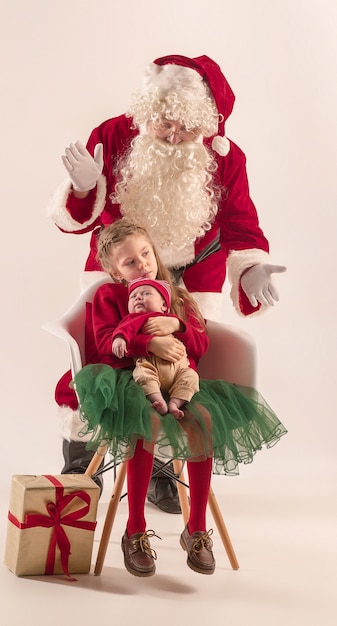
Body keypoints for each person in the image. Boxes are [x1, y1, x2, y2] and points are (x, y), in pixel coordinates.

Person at [47, 54, 287, 512]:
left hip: (194, 279)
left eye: (186, 128)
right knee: (97, 363)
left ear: (205, 124)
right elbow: (76, 222)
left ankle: (162, 470)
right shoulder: (113, 136)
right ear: (146, 112)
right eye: (163, 124)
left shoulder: (227, 158)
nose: (174, 135)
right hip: (118, 274)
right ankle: (81, 464)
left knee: (179, 367)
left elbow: (240, 222)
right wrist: (81, 190)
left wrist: (250, 266)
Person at [70, 219, 287, 577]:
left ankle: (196, 528)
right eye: (130, 262)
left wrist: (178, 326)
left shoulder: (178, 295)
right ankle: (135, 529)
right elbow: (107, 345)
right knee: (148, 420)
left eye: (145, 254)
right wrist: (148, 342)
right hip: (130, 380)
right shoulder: (109, 296)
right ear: (113, 271)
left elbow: (201, 345)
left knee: (202, 420)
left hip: (180, 381)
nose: (143, 265)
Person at [112, 277, 199, 419]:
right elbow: (124, 329)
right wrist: (119, 339)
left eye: (146, 293)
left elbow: (195, 341)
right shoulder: (133, 319)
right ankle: (158, 399)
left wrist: (178, 324)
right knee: (142, 375)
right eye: (133, 296)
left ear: (164, 305)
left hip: (179, 369)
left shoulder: (171, 319)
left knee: (191, 377)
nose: (138, 297)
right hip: (150, 364)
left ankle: (175, 402)